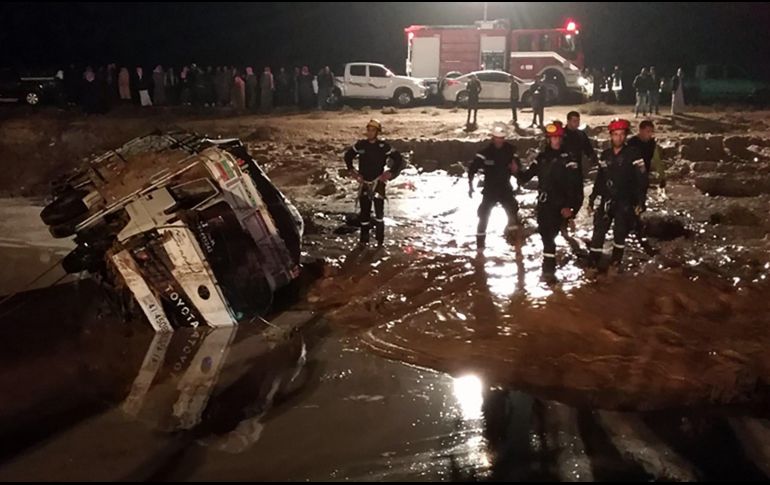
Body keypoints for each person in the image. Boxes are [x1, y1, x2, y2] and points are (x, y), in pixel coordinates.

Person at [516, 122, 582, 281]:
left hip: (560, 205)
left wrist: (571, 207)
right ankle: (548, 272)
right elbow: (526, 177)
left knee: (550, 237)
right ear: (548, 139)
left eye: (558, 137)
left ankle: (549, 271)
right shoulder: (541, 157)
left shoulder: (569, 158)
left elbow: (575, 185)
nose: (556, 140)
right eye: (553, 137)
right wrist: (515, 170)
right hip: (544, 204)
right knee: (547, 238)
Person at [587, 119, 646, 269]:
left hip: (625, 200)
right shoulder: (605, 155)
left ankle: (616, 262)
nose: (618, 138)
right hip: (607, 199)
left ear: (625, 136)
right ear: (611, 136)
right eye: (615, 134)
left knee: (620, 232)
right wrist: (592, 198)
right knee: (599, 230)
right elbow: (600, 178)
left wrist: (640, 202)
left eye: (621, 134)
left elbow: (641, 180)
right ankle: (593, 261)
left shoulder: (634, 154)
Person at [343, 119, 406, 248]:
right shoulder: (361, 145)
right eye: (368, 130)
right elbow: (348, 156)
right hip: (365, 183)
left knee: (379, 213)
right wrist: (353, 172)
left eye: (373, 130)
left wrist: (390, 173)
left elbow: (398, 159)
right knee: (364, 213)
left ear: (377, 132)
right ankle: (363, 241)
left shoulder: (383, 146)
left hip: (378, 183)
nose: (370, 133)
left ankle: (380, 241)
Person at [468, 122, 522, 250]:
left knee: (512, 212)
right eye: (497, 138)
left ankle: (515, 245)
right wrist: (470, 186)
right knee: (483, 216)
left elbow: (518, 168)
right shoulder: (485, 152)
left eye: (502, 138)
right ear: (493, 137)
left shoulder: (511, 150)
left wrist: (518, 178)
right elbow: (472, 169)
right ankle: (480, 247)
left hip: (505, 189)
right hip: (490, 190)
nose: (499, 141)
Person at [626, 119, 667, 253]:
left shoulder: (651, 144)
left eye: (651, 131)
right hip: (630, 178)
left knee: (641, 203)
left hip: (643, 178)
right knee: (629, 203)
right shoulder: (631, 143)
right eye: (647, 131)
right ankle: (632, 228)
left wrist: (662, 176)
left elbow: (656, 160)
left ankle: (636, 227)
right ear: (641, 130)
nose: (649, 134)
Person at [562, 110, 596, 180]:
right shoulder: (561, 135)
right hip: (562, 170)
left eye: (578, 121)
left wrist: (594, 161)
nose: (577, 123)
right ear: (568, 121)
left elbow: (589, 150)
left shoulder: (581, 135)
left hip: (577, 170)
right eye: (574, 121)